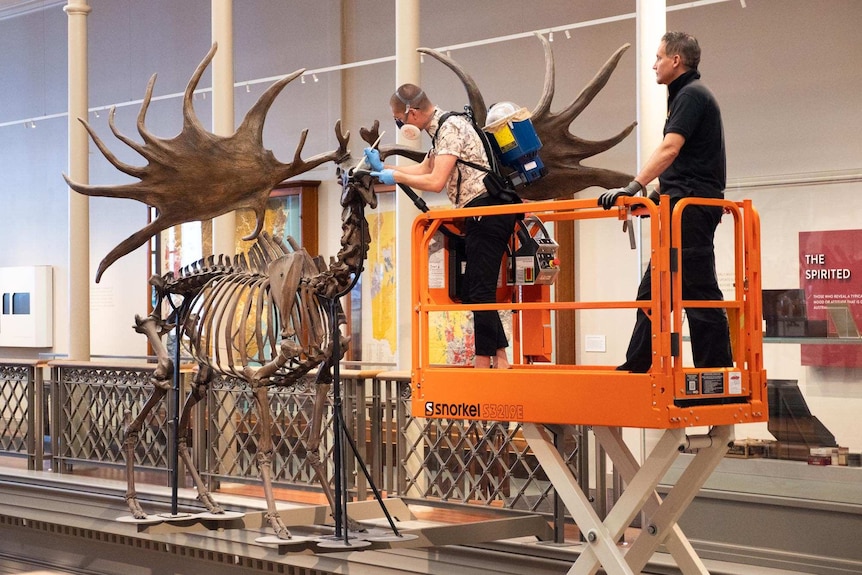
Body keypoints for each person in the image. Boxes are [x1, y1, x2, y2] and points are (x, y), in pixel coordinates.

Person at [597, 32, 732, 373]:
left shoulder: (691, 95)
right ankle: (639, 364)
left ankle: (714, 374)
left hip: (692, 209)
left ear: (676, 60)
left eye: (658, 57)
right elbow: (682, 166)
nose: (654, 63)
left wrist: (633, 185)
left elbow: (670, 150)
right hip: (681, 206)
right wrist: (650, 200)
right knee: (654, 292)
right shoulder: (685, 96)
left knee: (698, 291)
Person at [365, 84, 517, 369]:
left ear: (412, 112)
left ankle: (484, 360)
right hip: (479, 211)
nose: (400, 124)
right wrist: (383, 170)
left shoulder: (450, 128)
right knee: (475, 288)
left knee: (480, 290)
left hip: (487, 209)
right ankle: (501, 357)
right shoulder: (442, 130)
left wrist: (394, 177)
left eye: (399, 118)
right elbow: (424, 168)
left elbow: (435, 181)